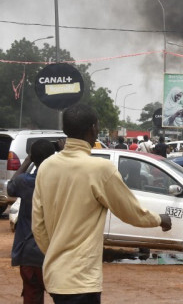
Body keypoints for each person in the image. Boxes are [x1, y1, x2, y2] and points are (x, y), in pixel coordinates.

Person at [32, 104, 171, 304]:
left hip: (55, 277)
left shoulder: (46, 167)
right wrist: (159, 219)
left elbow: (38, 224)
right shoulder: (100, 169)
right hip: (81, 281)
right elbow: (130, 211)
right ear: (93, 129)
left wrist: (55, 254)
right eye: (97, 126)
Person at [8, 139, 56, 304]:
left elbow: (10, 187)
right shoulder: (59, 182)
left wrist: (28, 159)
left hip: (28, 252)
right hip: (54, 253)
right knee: (66, 297)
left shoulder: (25, 182)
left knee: (32, 296)